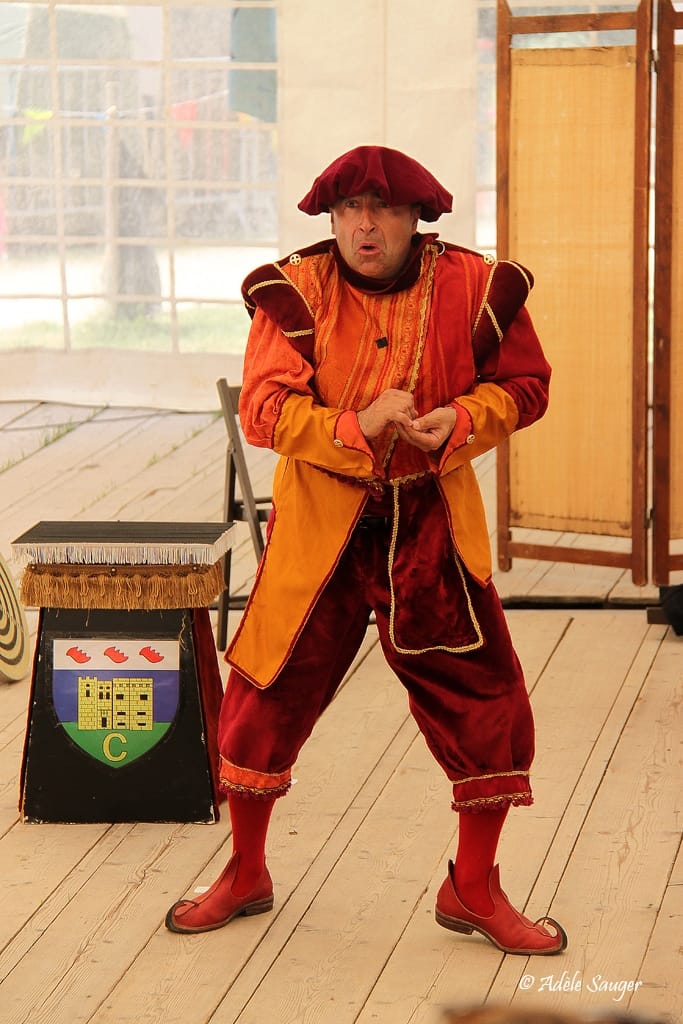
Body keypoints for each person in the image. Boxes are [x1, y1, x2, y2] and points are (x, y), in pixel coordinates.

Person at [165, 145, 567, 956]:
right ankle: (245, 871)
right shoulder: (294, 291)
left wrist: (461, 419)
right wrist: (354, 428)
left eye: (381, 209)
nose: (362, 225)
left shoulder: (475, 287)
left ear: (417, 218)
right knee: (263, 693)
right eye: (347, 209)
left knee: (483, 703)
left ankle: (473, 888)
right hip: (322, 528)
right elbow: (264, 411)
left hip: (432, 526)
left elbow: (526, 386)